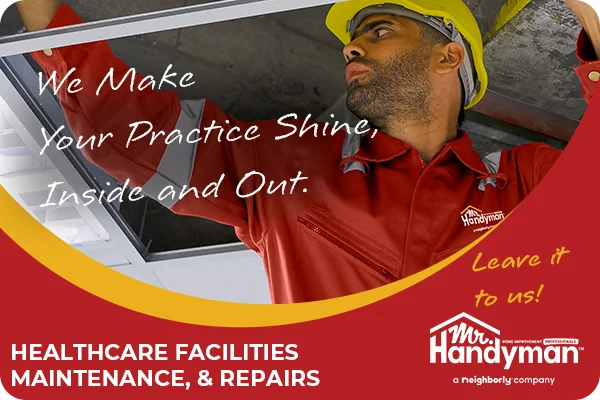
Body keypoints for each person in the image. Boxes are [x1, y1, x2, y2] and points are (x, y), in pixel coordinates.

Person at [15, 0, 600, 303]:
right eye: (354, 37)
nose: (349, 46)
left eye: (378, 31)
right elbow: (128, 134)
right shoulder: (290, 162)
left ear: (448, 57)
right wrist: (50, 26)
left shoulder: (527, 182)